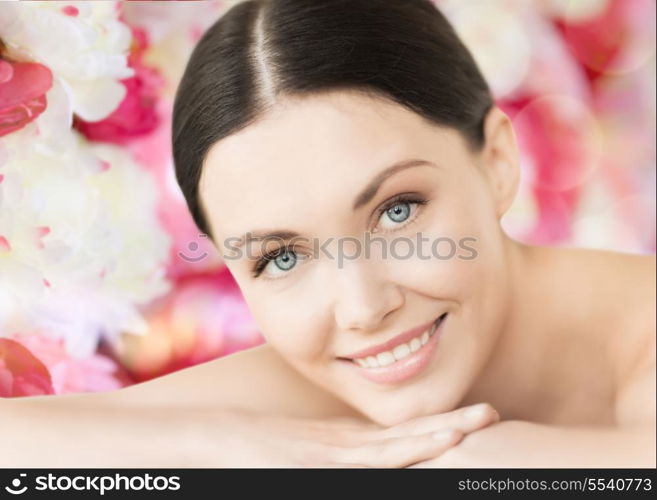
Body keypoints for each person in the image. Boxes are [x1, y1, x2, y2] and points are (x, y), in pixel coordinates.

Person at [3, 0, 654, 468]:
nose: (364, 307)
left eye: (397, 211)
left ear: (497, 164)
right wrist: (217, 444)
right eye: (280, 257)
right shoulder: (325, 391)